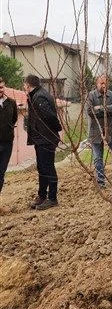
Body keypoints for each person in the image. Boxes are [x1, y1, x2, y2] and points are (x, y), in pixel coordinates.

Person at [23, 74, 62, 210]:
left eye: (24, 86)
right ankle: (42, 196)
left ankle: (52, 198)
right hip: (41, 138)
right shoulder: (36, 95)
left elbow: (49, 116)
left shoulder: (39, 97)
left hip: (46, 139)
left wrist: (57, 128)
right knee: (42, 168)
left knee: (48, 168)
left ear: (28, 86)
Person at [86, 74, 112, 188]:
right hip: (96, 133)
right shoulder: (91, 96)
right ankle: (101, 182)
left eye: (106, 83)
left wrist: (100, 108)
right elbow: (90, 112)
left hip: (111, 132)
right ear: (97, 84)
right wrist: (108, 109)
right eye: (101, 83)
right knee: (98, 159)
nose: (104, 85)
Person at [0, 77, 18, 200]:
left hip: (6, 144)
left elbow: (13, 119)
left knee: (1, 174)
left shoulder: (11, 103)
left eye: (1, 87)